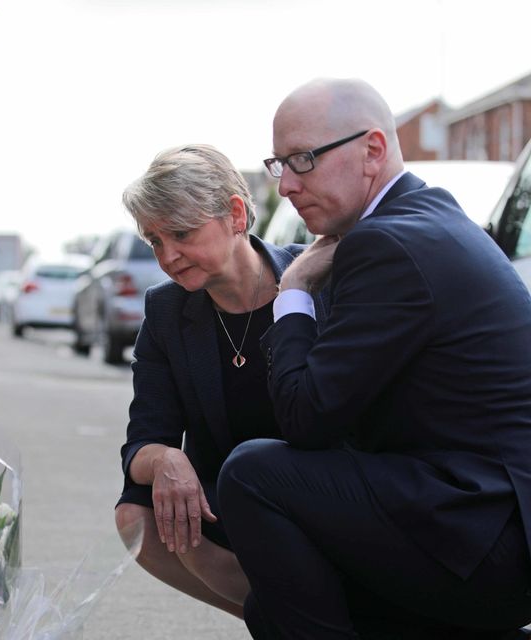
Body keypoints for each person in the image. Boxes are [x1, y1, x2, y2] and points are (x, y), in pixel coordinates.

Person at [217, 77, 531, 638]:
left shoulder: (387, 243)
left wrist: (292, 287)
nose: (286, 184)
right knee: (270, 608)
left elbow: (306, 417)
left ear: (374, 150)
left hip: (483, 539)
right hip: (482, 523)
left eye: (303, 160)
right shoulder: (422, 219)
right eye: (278, 164)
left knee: (252, 475)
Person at [113, 144, 327, 619]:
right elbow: (141, 442)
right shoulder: (166, 311)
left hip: (324, 489)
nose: (168, 256)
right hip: (226, 498)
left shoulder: (315, 278)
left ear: (234, 214)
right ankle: (275, 619)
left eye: (182, 233)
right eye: (154, 241)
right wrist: (166, 459)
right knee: (138, 517)